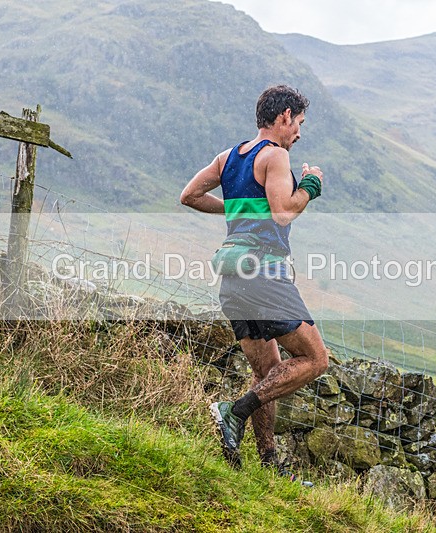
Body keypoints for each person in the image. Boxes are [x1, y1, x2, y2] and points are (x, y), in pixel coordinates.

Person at [180, 85, 328, 484]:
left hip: (232, 276)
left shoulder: (229, 157)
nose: (298, 133)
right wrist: (310, 185)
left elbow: (189, 195)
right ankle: (235, 411)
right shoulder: (275, 156)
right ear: (283, 117)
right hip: (264, 273)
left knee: (268, 371)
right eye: (298, 123)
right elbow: (283, 213)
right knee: (316, 359)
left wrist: (236, 206)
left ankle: (267, 463)